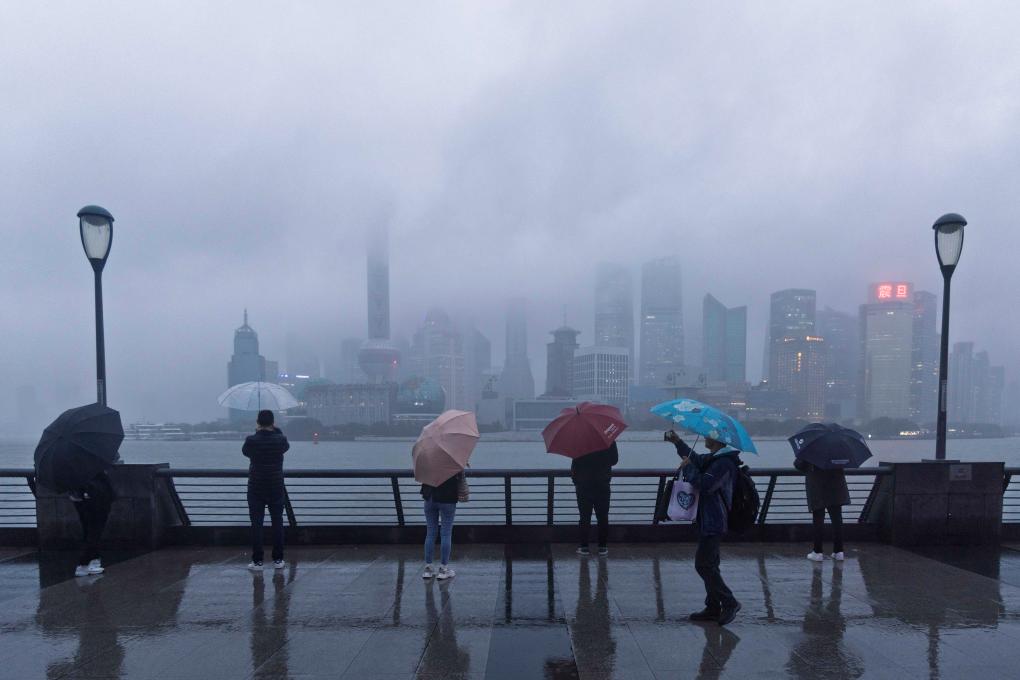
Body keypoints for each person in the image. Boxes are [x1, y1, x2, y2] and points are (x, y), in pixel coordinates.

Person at [665, 430, 742, 626]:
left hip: (715, 520)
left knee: (703, 565)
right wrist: (678, 442)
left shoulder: (724, 463)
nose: (705, 437)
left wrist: (689, 469)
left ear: (717, 440)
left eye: (708, 435)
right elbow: (696, 460)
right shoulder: (714, 459)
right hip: (706, 518)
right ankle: (713, 607)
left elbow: (705, 484)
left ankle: (729, 602)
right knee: (711, 564)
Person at [243, 409, 290, 571]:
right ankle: (278, 560)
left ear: (258, 422)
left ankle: (257, 562)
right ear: (273, 422)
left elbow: (246, 452)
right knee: (277, 523)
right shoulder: (280, 440)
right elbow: (285, 446)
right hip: (276, 486)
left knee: (257, 524)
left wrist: (258, 432)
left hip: (256, 486)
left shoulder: (251, 440)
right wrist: (275, 430)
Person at [794, 457, 849, 561]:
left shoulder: (812, 449)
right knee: (837, 519)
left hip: (818, 486)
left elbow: (799, 464)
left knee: (818, 519)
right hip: (837, 486)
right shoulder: (839, 447)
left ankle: (817, 551)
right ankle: (839, 551)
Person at [571, 442, 618, 556]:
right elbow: (614, 460)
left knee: (584, 517)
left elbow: (575, 465)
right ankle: (602, 547)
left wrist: (576, 481)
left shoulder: (580, 442)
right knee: (603, 517)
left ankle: (584, 547)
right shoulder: (608, 440)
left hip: (584, 486)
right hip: (602, 485)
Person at [70, 471, 114, 577]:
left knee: (89, 531)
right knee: (94, 532)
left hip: (83, 500)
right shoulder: (91, 470)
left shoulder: (74, 470)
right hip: (94, 501)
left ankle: (92, 560)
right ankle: (83, 564)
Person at [421, 471, 462, 580]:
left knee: (430, 533)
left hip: (429, 497)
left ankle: (428, 569)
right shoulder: (452, 461)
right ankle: (443, 569)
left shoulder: (427, 458)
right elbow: (459, 477)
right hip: (448, 498)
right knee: (446, 533)